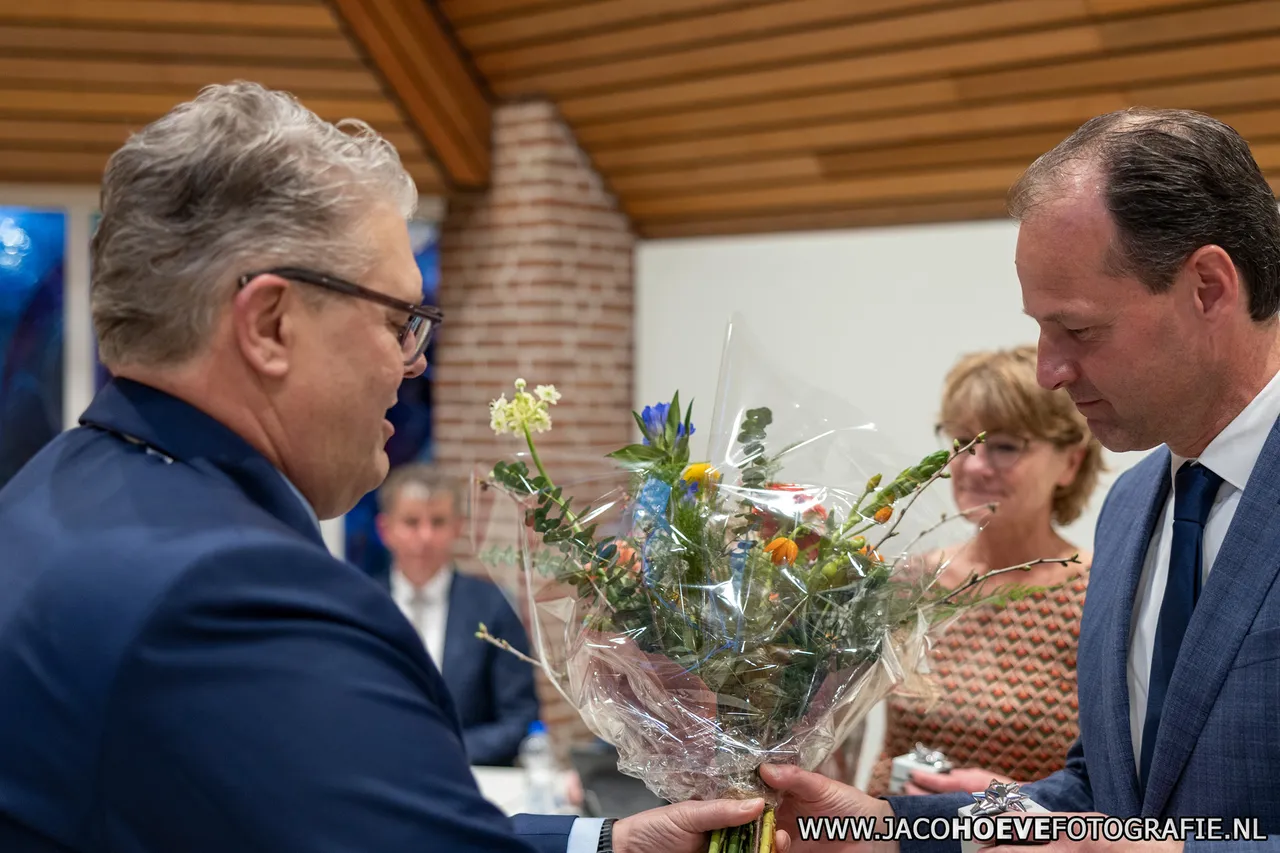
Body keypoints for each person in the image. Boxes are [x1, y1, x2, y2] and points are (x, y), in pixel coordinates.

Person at [0, 82, 774, 853]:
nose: (413, 362)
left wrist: (606, 844)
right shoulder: (239, 596)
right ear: (270, 324)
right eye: (399, 320)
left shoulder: (49, 491)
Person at [762, 107, 1280, 852]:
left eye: (1079, 329)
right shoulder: (1132, 507)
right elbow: (1101, 794)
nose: (1049, 371)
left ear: (1207, 286)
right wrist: (884, 829)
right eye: (1041, 328)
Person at [865, 345, 1101, 797]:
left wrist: (1014, 802)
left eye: (1005, 447)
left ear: (1069, 462)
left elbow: (1121, 781)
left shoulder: (1098, 597)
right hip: (887, 829)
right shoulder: (912, 580)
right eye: (962, 443)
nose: (973, 466)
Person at [377, 463, 539, 766]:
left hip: (466, 770)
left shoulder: (493, 606)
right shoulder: (364, 604)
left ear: (457, 527)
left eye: (438, 522)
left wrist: (444, 752)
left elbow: (519, 717)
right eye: (411, 522)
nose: (425, 536)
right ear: (385, 530)